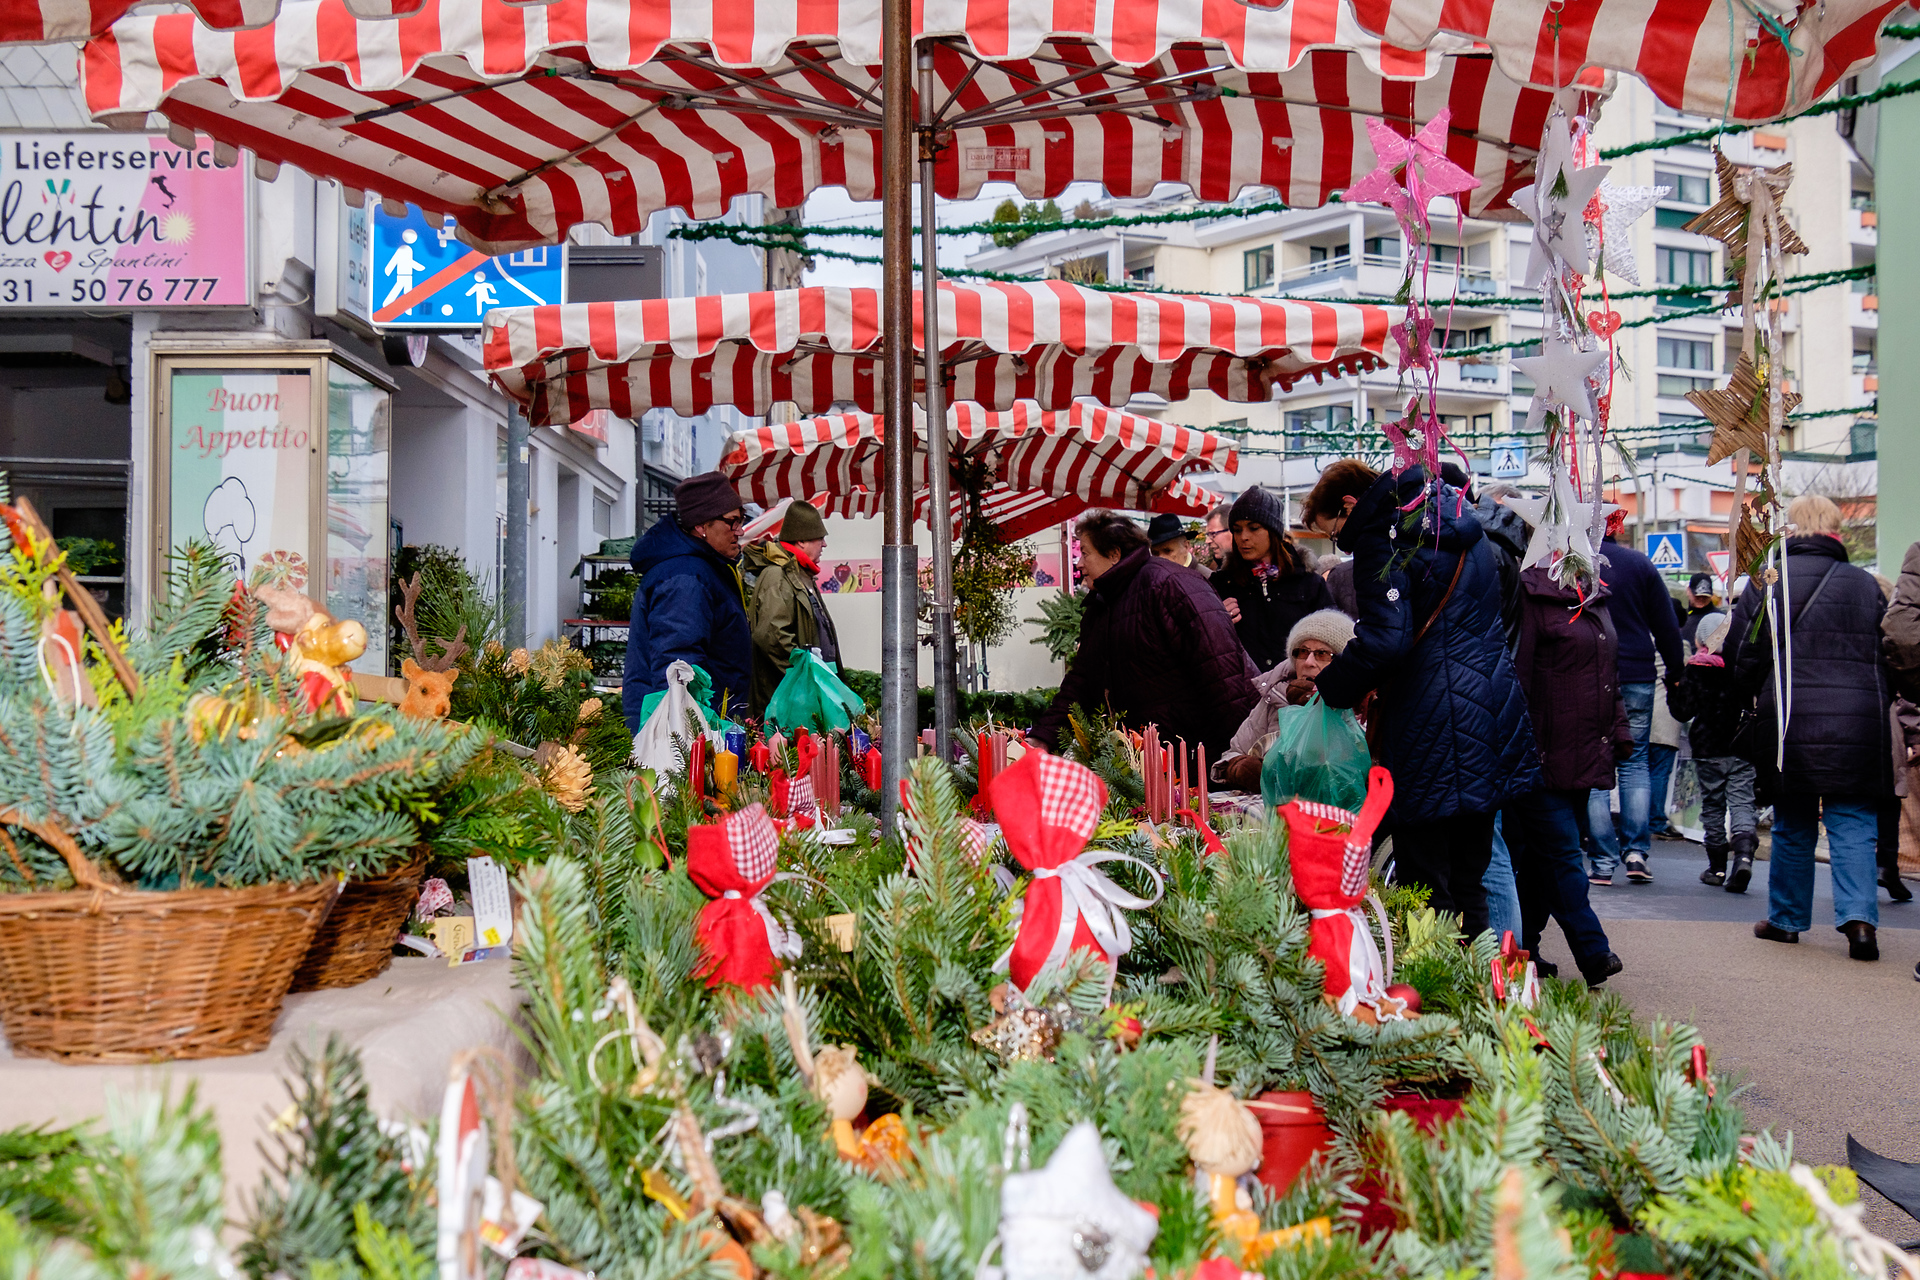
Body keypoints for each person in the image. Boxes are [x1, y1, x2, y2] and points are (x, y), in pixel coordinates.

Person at [1302, 460, 1539, 940]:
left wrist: (1334, 686)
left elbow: (1386, 641)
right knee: (1470, 876)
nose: (1341, 543)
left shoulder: (1380, 538)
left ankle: (1439, 998)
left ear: (1350, 504)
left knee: (1426, 883)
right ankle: (1485, 994)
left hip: (1429, 723)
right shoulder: (1465, 529)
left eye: (1336, 530)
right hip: (1490, 710)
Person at [1727, 494, 1892, 961]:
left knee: (1794, 820)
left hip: (1790, 719)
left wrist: (1753, 699)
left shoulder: (1770, 584)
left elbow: (1742, 655)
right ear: (1836, 529)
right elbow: (1888, 650)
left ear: (1791, 529)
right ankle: (1860, 923)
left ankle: (1787, 920)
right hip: (1859, 721)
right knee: (1854, 820)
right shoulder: (1866, 586)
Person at [1030, 510, 1259, 763]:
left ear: (1114, 554)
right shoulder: (1101, 605)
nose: (1079, 563)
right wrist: (1042, 737)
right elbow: (1081, 681)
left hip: (1195, 756)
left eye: (1085, 553)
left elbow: (1221, 673)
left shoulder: (1170, 585)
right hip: (1146, 761)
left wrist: (1234, 757)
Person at [1502, 561, 1629, 987]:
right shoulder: (1531, 597)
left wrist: (1620, 730)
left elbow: (1609, 675)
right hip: (1539, 754)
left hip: (1582, 753)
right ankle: (1593, 952)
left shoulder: (1595, 597)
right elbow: (1516, 677)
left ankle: (1527, 950)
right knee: (1562, 854)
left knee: (1543, 863)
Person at [1585, 511, 1685, 887]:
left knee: (1595, 766)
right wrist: (1675, 671)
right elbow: (1665, 625)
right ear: (1617, 528)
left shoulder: (1577, 563)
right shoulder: (1641, 564)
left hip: (1591, 672)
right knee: (1635, 762)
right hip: (1639, 673)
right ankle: (1636, 853)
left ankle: (1601, 862)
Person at [623, 472, 753, 730]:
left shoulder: (703, 569)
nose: (740, 530)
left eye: (742, 520)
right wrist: (689, 740)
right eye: (732, 522)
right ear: (702, 526)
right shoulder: (685, 578)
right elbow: (677, 668)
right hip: (685, 737)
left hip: (707, 724)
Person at [1212, 609, 1356, 790]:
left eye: (1322, 654)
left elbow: (1355, 771)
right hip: (1267, 812)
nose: (1309, 662)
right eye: (1302, 652)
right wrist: (1242, 770)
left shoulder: (1360, 706)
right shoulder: (1275, 695)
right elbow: (1233, 754)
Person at [1667, 612, 1759, 889]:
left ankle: (1717, 868)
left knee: (1713, 805)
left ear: (1702, 639)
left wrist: (1672, 687)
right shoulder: (1743, 667)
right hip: (1743, 746)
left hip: (1709, 748)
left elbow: (1683, 712)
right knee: (1742, 801)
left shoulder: (1696, 668)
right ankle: (1743, 856)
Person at [1213, 486, 1334, 670]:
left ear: (1273, 531)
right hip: (1243, 691)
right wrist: (1215, 621)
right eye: (1237, 530)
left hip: (1294, 690)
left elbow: (1332, 640)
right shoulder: (1221, 584)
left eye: (1254, 528)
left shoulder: (1308, 583)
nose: (1243, 537)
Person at [744, 500, 843, 714]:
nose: (824, 544)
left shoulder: (800, 575)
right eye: (819, 538)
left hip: (802, 699)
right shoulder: (777, 576)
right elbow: (772, 636)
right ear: (801, 541)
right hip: (787, 704)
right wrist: (805, 677)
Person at [1680, 572, 1722, 647]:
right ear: (1688, 591)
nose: (1701, 599)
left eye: (1705, 596)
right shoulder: (1681, 617)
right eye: (1697, 596)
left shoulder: (1720, 619)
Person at [1201, 508, 1233, 573]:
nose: (1207, 541)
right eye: (1208, 535)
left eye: (1213, 534)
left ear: (1232, 531)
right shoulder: (1219, 567)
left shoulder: (1254, 572)